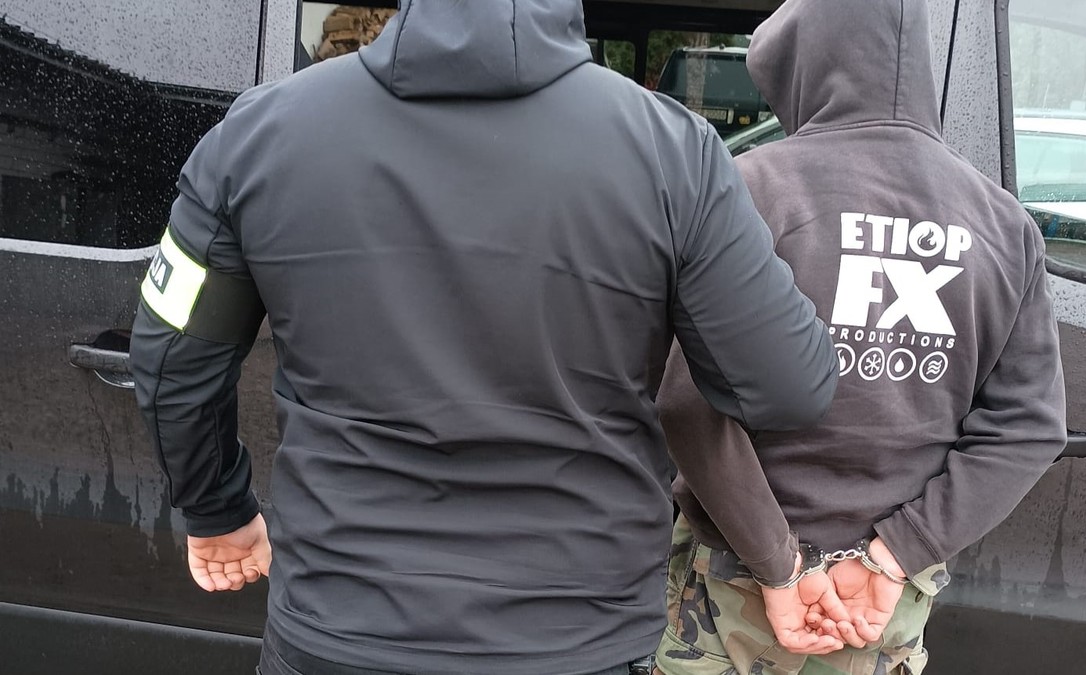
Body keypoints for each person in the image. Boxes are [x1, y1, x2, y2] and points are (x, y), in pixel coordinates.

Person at [128, 1, 844, 673]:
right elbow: (788, 385)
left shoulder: (259, 134)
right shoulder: (673, 152)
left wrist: (217, 508)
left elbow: (170, 358)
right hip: (575, 638)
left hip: (339, 625)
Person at [652, 0, 1069, 673]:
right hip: (885, 598)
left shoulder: (750, 188)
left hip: (733, 585)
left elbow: (687, 402)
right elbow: (1028, 425)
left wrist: (777, 563)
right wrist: (899, 550)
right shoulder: (1003, 224)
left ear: (802, 60)